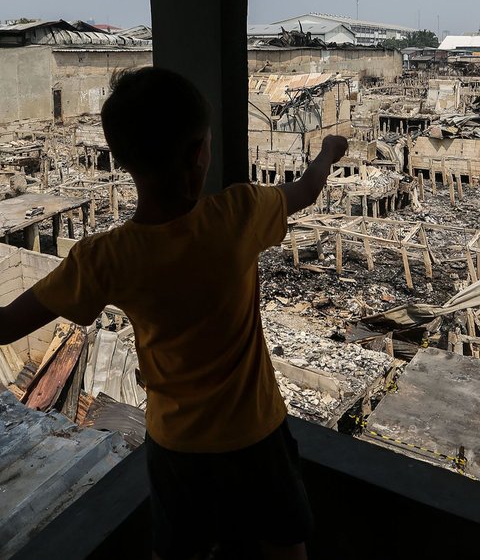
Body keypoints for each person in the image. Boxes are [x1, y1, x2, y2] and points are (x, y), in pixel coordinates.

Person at [0, 66, 348, 560]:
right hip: (255, 435)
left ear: (120, 159)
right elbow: (307, 190)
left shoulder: (106, 258)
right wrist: (328, 150)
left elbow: (7, 324)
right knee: (284, 546)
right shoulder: (239, 214)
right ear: (201, 153)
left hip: (177, 447)